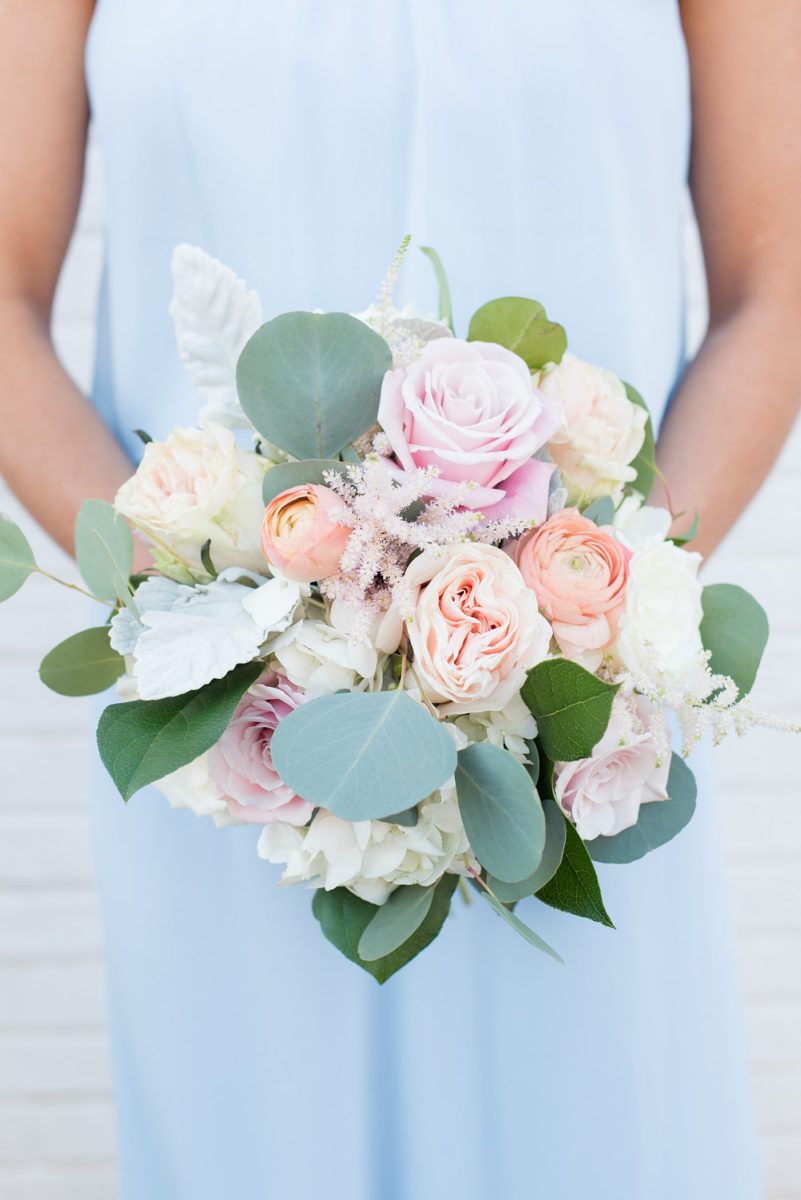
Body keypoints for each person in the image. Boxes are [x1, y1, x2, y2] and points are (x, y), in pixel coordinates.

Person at [1, 3, 799, 1198]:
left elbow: (775, 280)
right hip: (231, 758)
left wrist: (586, 611)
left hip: (573, 751)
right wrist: (209, 622)